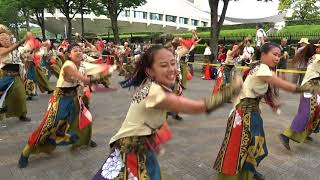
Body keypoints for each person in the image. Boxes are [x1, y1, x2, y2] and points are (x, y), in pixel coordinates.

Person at [94, 45, 242, 180]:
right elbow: (198, 107)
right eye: (164, 65)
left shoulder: (151, 83)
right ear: (150, 71)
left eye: (173, 63)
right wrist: (231, 90)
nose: (172, 69)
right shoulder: (156, 93)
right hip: (133, 149)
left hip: (139, 145)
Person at [213, 42, 320, 180]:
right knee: (237, 149)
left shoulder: (263, 68)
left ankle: (249, 171)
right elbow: (280, 84)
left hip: (253, 113)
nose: (278, 58)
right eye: (274, 55)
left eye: (279, 55)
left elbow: (265, 91)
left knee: (257, 146)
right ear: (263, 55)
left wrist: (273, 104)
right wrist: (304, 88)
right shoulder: (262, 68)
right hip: (242, 114)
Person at [18, 43, 108, 168]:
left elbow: (95, 66)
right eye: (75, 50)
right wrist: (92, 79)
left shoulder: (82, 65)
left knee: (84, 120)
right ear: (69, 54)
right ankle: (26, 153)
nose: (78, 52)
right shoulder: (68, 65)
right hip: (60, 99)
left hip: (74, 98)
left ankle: (85, 140)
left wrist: (105, 68)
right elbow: (78, 78)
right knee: (48, 125)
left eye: (80, 50)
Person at [279, 44, 320, 150]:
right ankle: (286, 135)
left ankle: (306, 134)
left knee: (315, 112)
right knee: (306, 113)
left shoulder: (314, 57)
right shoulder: (316, 57)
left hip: (314, 87)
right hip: (310, 87)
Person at [0, 24, 32, 121]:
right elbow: (10, 49)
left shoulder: (16, 50)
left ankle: (22, 114)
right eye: (1, 40)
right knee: (2, 98)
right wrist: (23, 39)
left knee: (21, 96)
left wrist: (27, 60)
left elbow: (22, 61)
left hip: (17, 77)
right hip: (4, 77)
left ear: (10, 39)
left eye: (6, 39)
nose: (4, 41)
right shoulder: (1, 49)